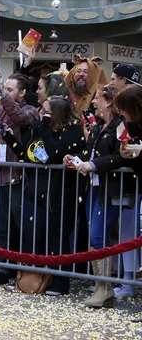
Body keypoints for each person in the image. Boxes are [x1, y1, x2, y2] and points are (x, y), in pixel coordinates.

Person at [4, 96, 85, 295]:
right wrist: (9, 139)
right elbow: (28, 153)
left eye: (46, 111)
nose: (42, 114)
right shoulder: (40, 127)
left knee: (57, 238)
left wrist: (45, 127)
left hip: (60, 192)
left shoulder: (72, 130)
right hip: (36, 189)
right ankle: (31, 279)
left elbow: (54, 152)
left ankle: (60, 282)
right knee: (33, 235)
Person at [64, 85, 134, 307]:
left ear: (109, 102)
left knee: (97, 236)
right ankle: (102, 287)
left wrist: (92, 165)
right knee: (97, 237)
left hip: (110, 188)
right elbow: (89, 153)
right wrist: (74, 159)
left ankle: (105, 286)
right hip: (94, 188)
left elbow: (121, 157)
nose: (93, 102)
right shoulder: (98, 126)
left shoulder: (119, 126)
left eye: (98, 99)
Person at [0, 73, 39, 285]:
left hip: (18, 179)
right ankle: (1, 267)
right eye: (4, 89)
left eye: (10, 90)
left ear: (23, 93)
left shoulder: (30, 111)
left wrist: (4, 98)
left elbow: (20, 120)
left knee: (20, 226)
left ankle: (23, 269)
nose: (5, 93)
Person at [115, 85, 142, 298]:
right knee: (128, 234)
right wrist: (127, 151)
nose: (121, 114)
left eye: (124, 109)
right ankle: (128, 283)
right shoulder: (131, 125)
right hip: (136, 182)